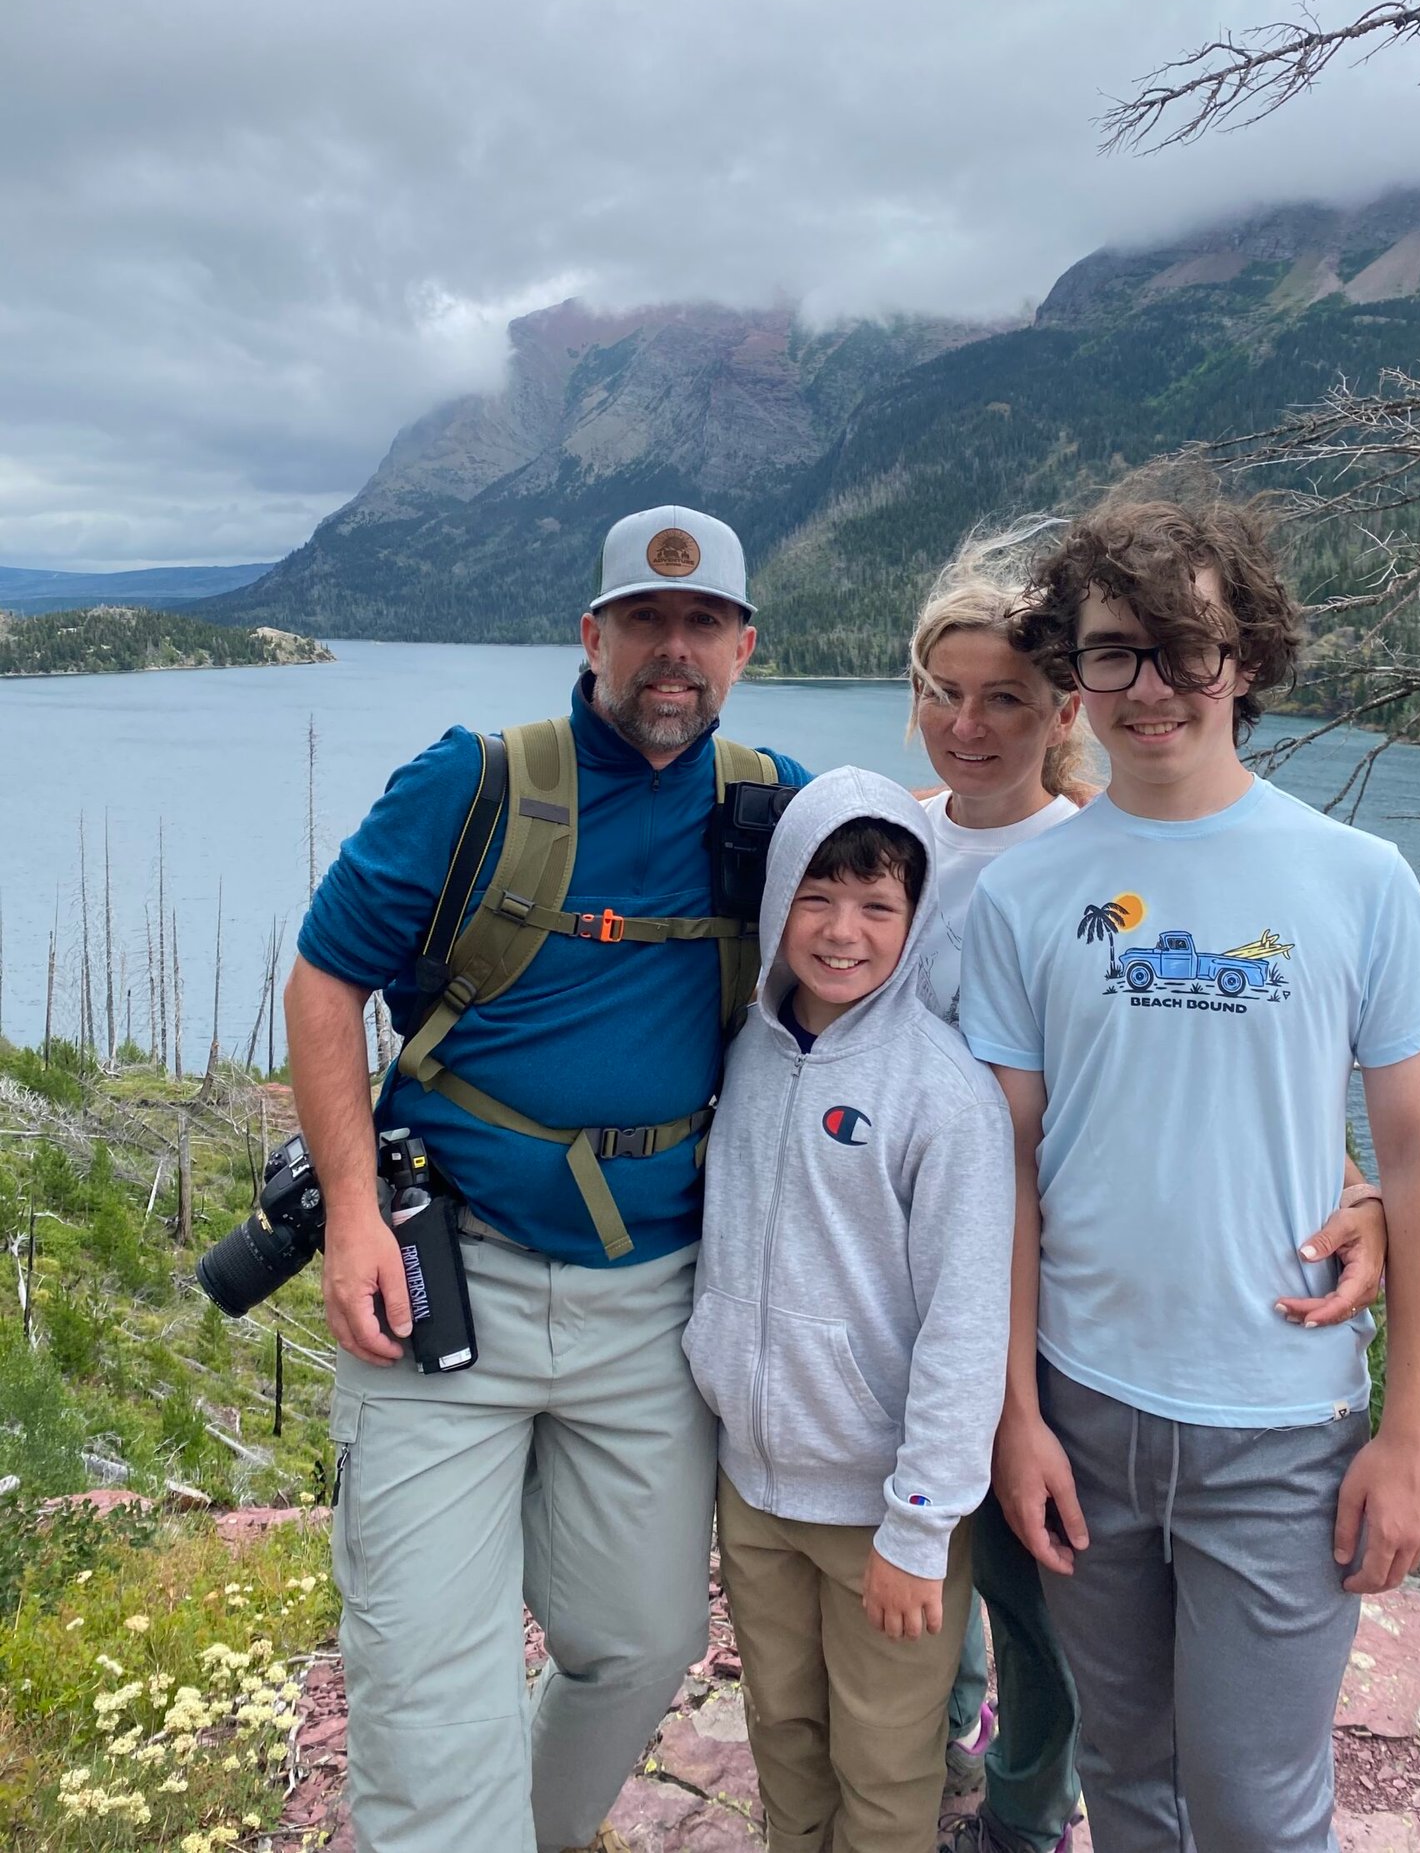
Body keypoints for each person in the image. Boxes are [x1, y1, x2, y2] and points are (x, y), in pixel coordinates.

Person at [283, 505, 808, 1853]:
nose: (671, 654)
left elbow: (937, 918)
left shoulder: (776, 809)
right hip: (443, 1289)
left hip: (654, 1304)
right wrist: (350, 1209)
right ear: (592, 637)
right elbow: (327, 976)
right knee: (424, 1686)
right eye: (644, 622)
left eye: (702, 627)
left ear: (745, 646)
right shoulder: (472, 784)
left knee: (637, 1646)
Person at [961, 480, 1420, 1853]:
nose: (1152, 688)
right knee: (1129, 1778)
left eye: (1186, 649)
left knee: (1256, 1808)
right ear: (1075, 672)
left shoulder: (1355, 879)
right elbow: (1003, 1173)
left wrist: (1412, 1439)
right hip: (1085, 1415)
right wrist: (1015, 1416)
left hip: (1281, 1432)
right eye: (1113, 651)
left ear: (1245, 659)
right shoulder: (1022, 894)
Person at [684, 770, 1015, 1853]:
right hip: (755, 1487)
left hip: (881, 1508)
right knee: (782, 1731)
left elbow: (967, 1324)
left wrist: (920, 1527)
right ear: (779, 893)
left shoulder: (941, 1094)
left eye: (877, 906)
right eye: (816, 895)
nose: (841, 932)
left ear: (914, 921)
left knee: (884, 1764)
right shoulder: (742, 1048)